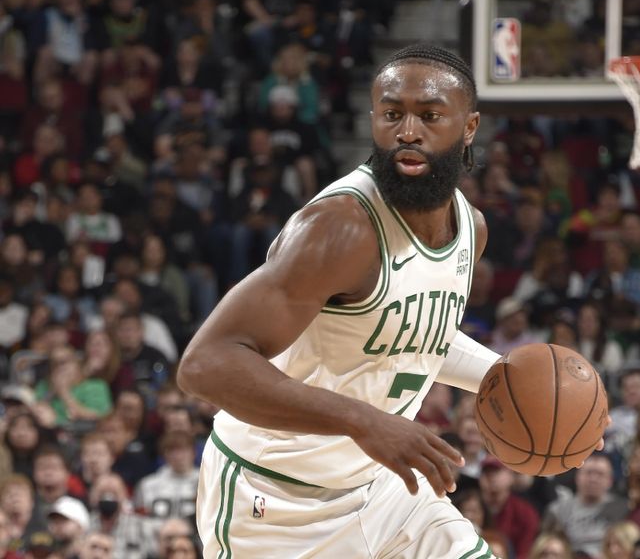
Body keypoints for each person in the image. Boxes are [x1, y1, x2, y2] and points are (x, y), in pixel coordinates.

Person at [177, 44, 607, 558]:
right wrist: (363, 420)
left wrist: (522, 387)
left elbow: (407, 335)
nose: (407, 130)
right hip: (274, 502)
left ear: (468, 128)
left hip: (385, 491)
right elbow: (205, 365)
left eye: (429, 115)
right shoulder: (338, 229)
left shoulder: (471, 228)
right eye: (391, 114)